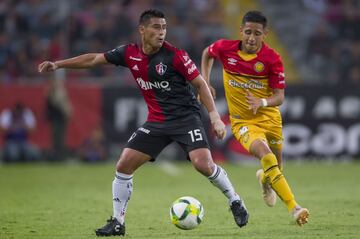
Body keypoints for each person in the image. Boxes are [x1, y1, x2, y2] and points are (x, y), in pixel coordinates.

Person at [38, 9, 249, 237]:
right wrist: (58, 65)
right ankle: (118, 222)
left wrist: (215, 117)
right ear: (142, 30)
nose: (162, 32)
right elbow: (94, 59)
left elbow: (200, 84)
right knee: (123, 165)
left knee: (203, 165)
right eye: (156, 27)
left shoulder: (175, 55)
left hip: (185, 119)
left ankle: (235, 200)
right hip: (157, 122)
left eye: (164, 28)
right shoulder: (129, 53)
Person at [201, 11, 309, 226]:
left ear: (265, 34)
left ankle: (265, 181)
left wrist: (262, 102)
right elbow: (207, 53)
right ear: (241, 31)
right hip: (242, 121)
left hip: (270, 118)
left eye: (257, 33)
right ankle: (294, 208)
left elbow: (279, 97)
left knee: (276, 168)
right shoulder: (225, 48)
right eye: (248, 32)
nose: (251, 38)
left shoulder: (272, 59)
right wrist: (205, 82)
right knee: (267, 157)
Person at [45, 78, 72, 161]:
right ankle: (57, 155)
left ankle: (59, 155)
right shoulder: (52, 93)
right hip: (56, 119)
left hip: (60, 118)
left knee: (59, 138)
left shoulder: (59, 94)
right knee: (56, 138)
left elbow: (62, 106)